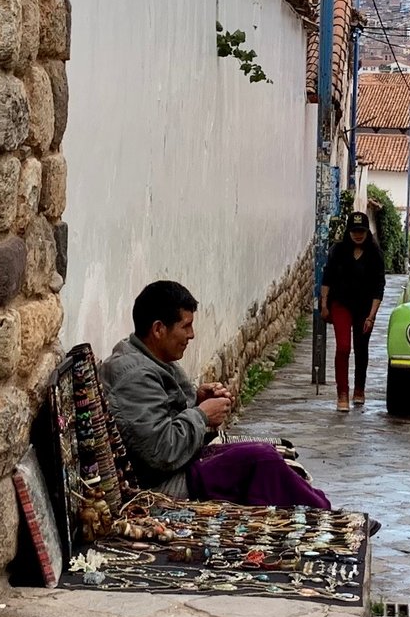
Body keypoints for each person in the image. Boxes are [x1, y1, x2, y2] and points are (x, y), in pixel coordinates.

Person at [102, 280, 332, 510]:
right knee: (260, 459)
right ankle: (325, 516)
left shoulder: (151, 359)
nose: (191, 335)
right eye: (186, 326)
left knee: (266, 455)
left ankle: (316, 508)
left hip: (179, 467)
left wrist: (197, 400)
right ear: (159, 329)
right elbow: (162, 451)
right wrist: (201, 415)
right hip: (160, 486)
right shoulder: (134, 376)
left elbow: (165, 416)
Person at [322, 210, 387, 412]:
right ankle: (342, 393)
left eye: (361, 230)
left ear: (367, 232)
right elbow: (327, 279)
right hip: (340, 304)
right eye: (354, 230)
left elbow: (379, 286)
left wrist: (372, 315)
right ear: (348, 232)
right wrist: (324, 304)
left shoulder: (375, 255)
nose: (358, 234)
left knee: (361, 348)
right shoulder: (337, 251)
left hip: (365, 308)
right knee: (343, 347)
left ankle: (359, 388)